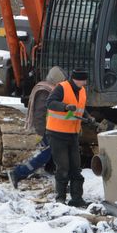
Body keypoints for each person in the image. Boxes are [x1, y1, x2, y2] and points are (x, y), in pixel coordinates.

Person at [7, 66, 66, 189]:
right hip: (45, 129)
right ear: (56, 80)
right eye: (61, 81)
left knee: (51, 152)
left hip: (50, 127)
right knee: (45, 154)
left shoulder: (48, 88)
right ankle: (18, 173)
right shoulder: (45, 91)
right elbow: (40, 114)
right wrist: (41, 133)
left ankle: (51, 170)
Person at [45, 68, 94, 207]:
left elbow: (81, 108)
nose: (84, 83)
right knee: (63, 167)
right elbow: (50, 102)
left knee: (75, 168)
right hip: (57, 133)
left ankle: (76, 198)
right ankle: (60, 198)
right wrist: (65, 107)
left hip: (72, 134)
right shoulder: (62, 87)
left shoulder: (82, 90)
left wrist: (88, 117)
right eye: (83, 80)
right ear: (76, 79)